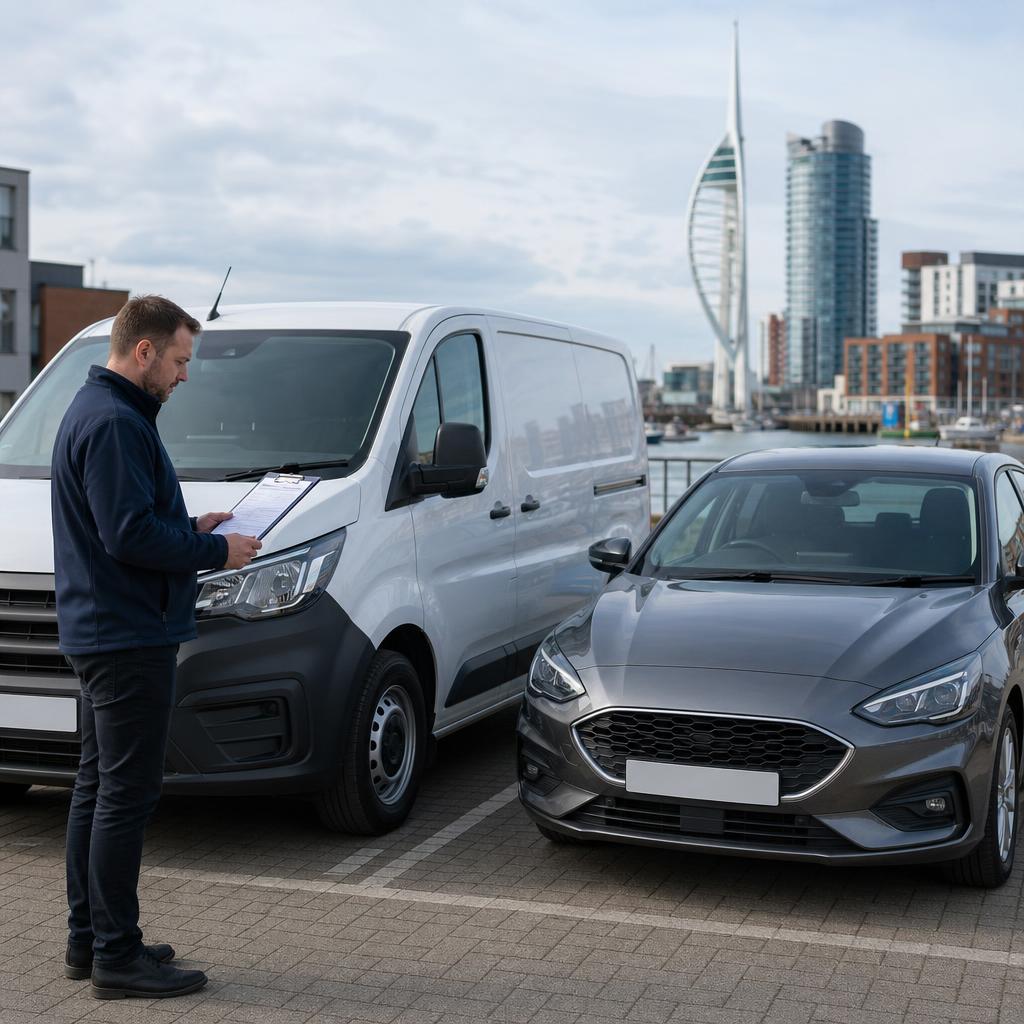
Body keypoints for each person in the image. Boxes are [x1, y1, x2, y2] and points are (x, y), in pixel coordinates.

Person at [50, 295, 262, 999]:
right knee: (125, 797)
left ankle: (91, 939)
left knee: (98, 788)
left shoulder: (101, 412)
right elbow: (127, 537)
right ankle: (118, 954)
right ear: (143, 352)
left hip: (107, 629)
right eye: (178, 360)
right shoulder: (114, 422)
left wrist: (188, 519)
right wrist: (214, 549)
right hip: (127, 634)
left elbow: (132, 518)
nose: (183, 375)